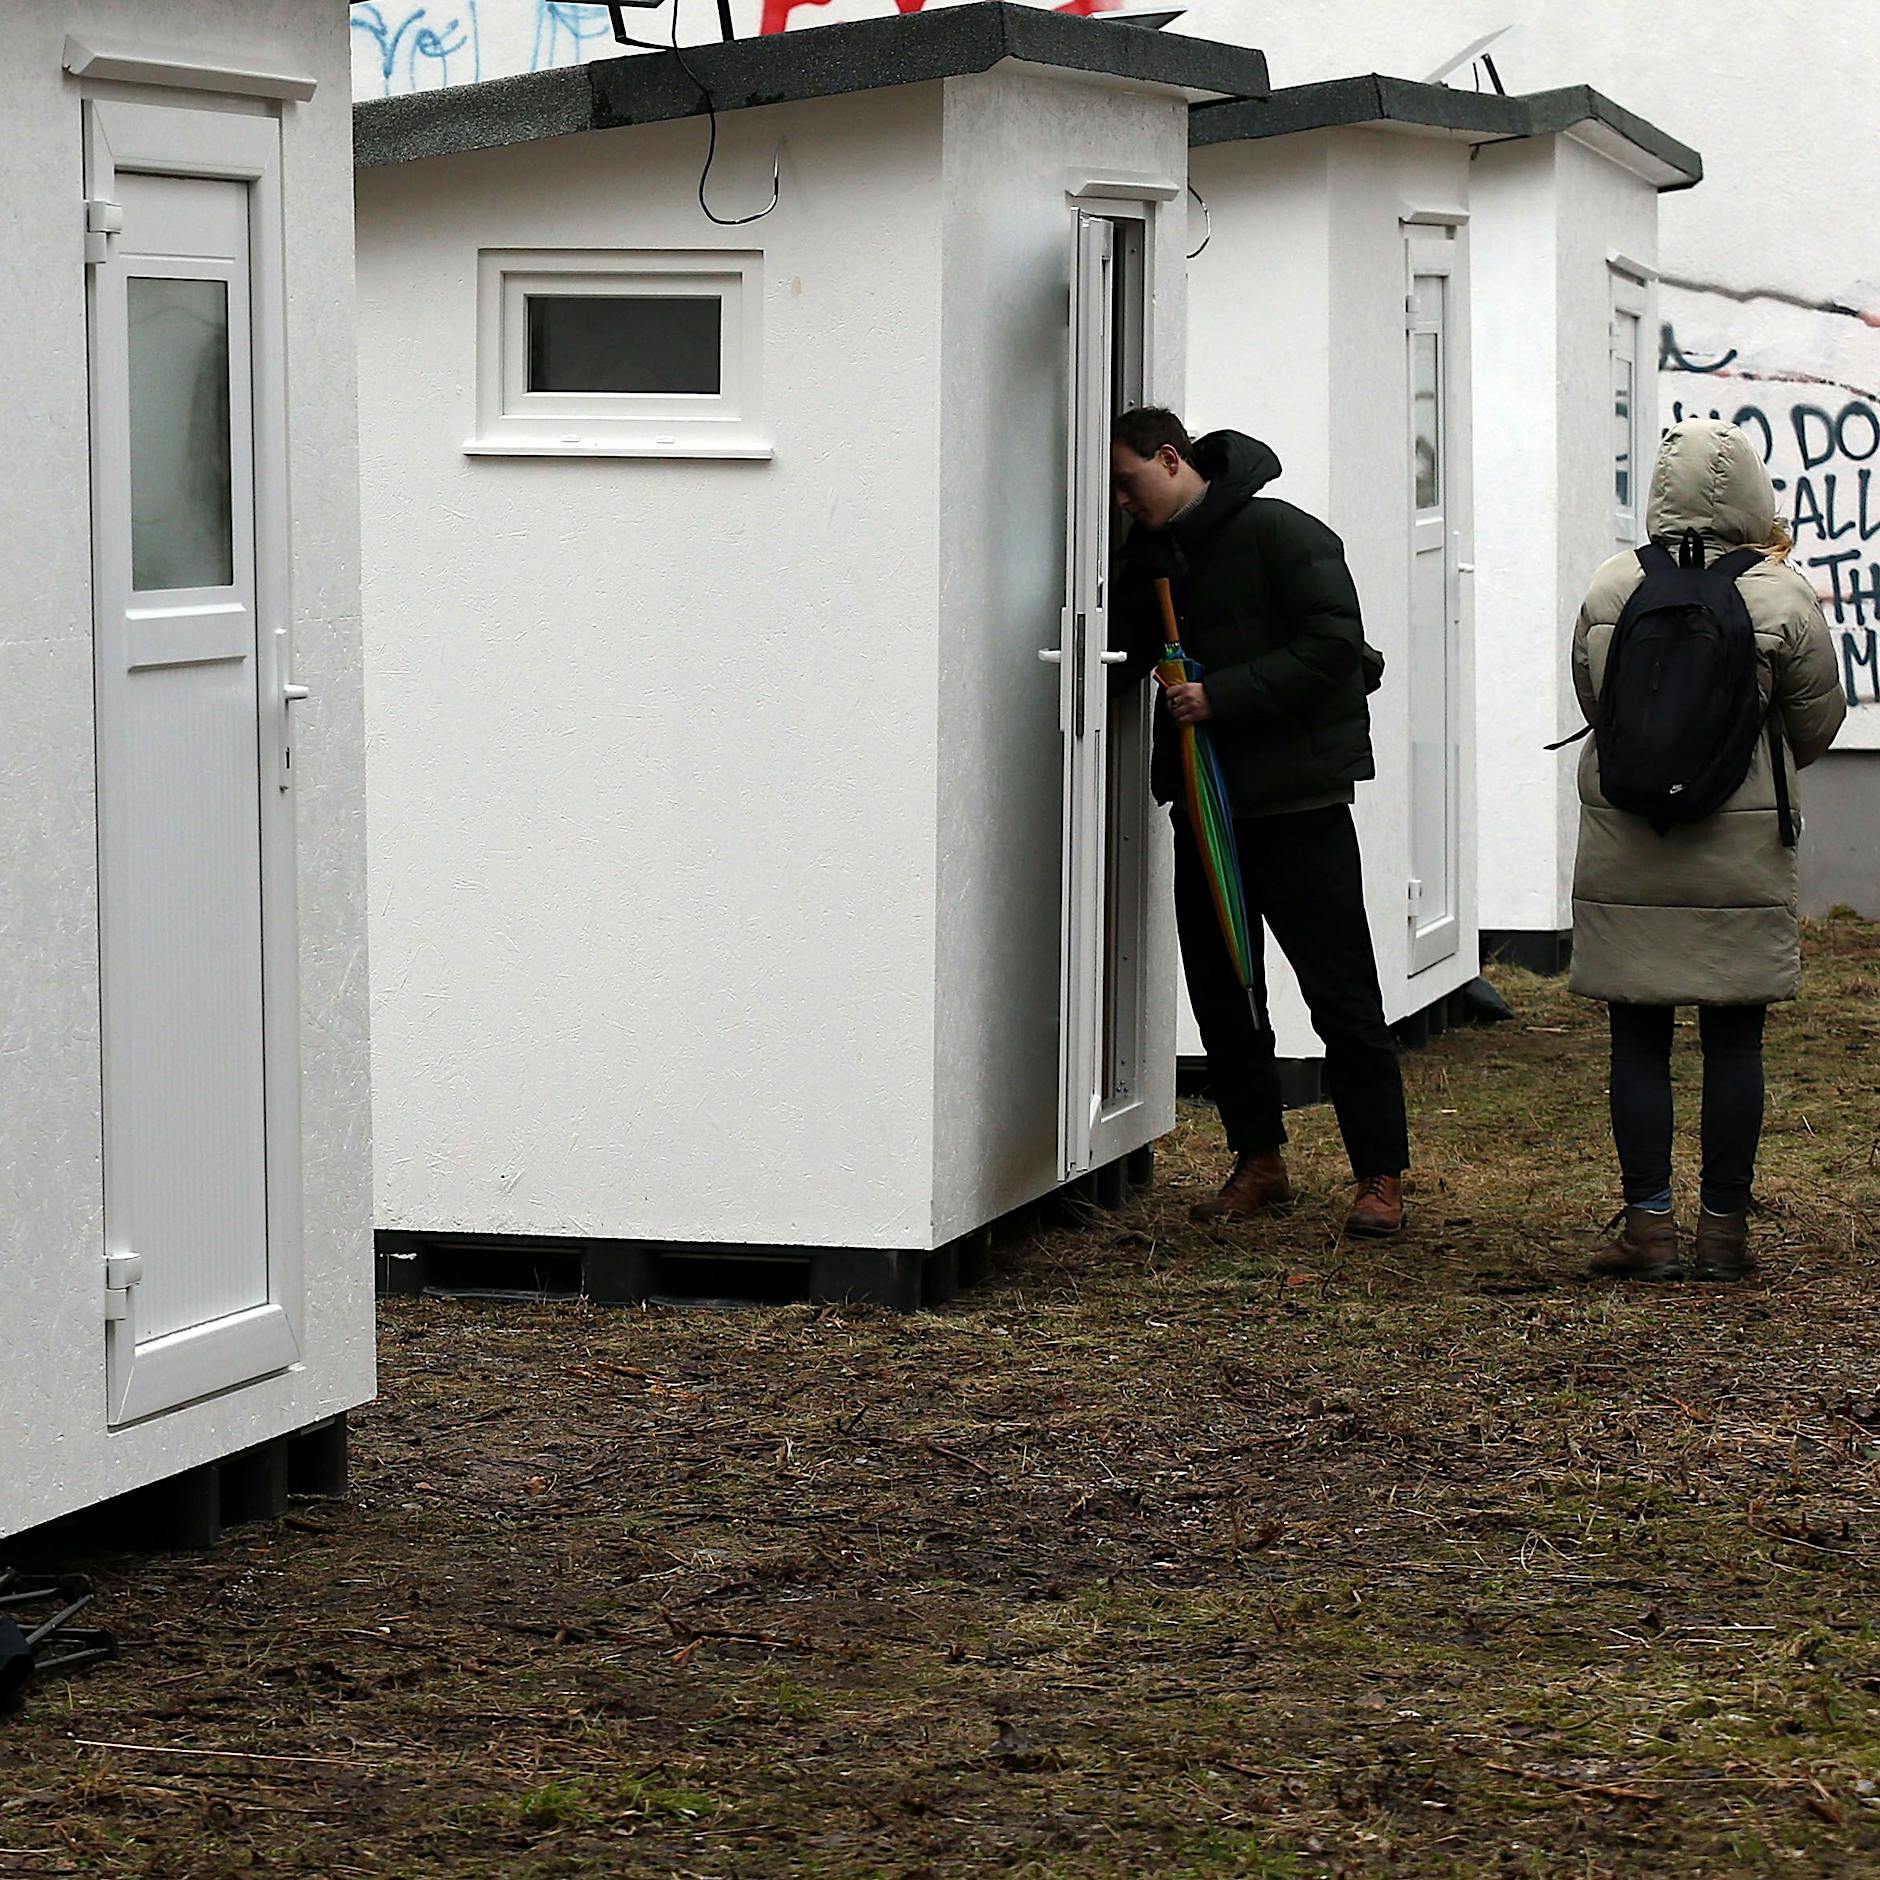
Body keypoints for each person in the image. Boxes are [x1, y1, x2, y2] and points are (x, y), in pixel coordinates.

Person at [1108, 407, 1408, 1238]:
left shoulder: (1282, 532)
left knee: (1341, 994)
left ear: (1171, 459)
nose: (1123, 502)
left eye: (1128, 484)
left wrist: (1221, 696)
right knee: (1223, 992)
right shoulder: (1152, 557)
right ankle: (1259, 1160)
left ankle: (1379, 1175)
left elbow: (1334, 647)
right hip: (1206, 808)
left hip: (1299, 804)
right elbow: (1124, 655)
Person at [1570, 418, 1846, 1281]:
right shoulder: (1782, 596)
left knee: (1637, 1039)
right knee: (1734, 1043)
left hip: (1628, 843)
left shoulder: (1612, 586)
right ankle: (1724, 1235)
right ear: (1754, 494)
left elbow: (1594, 700)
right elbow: (1817, 722)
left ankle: (1648, 1230)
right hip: (1741, 848)